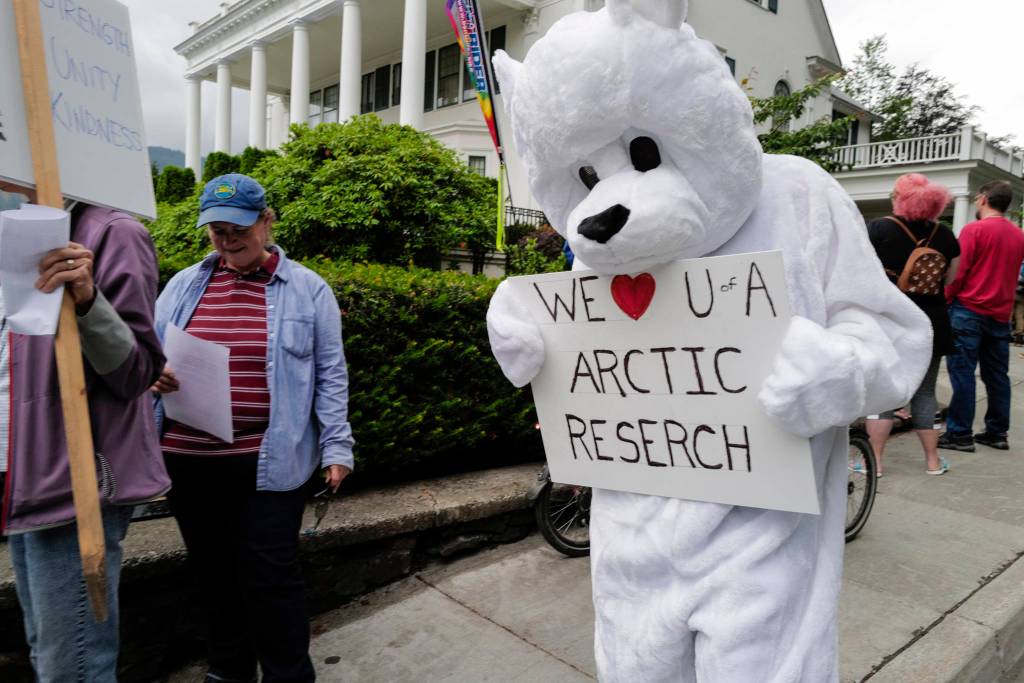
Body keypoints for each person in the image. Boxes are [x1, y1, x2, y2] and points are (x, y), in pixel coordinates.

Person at [151, 173, 354, 683]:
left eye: (238, 226)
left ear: (267, 220)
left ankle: (288, 675)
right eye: (216, 230)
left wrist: (337, 446)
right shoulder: (181, 286)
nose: (227, 238)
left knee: (272, 578)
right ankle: (229, 672)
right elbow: (147, 356)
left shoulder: (307, 289)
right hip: (189, 459)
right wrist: (153, 375)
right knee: (213, 576)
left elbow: (331, 374)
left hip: (269, 462)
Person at [0, 185, 169, 683]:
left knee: (70, 665)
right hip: (27, 479)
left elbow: (137, 374)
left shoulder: (113, 232)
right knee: (47, 652)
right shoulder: (20, 228)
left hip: (78, 481)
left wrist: (89, 300)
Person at [865, 174, 959, 476]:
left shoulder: (879, 229)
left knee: (883, 390)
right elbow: (951, 278)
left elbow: (861, 273)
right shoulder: (944, 234)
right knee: (926, 391)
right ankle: (932, 461)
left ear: (898, 197)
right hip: (932, 322)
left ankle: (874, 463)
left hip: (890, 322)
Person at [940, 180, 1024, 452]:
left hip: (969, 310)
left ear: (984, 199)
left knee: (962, 372)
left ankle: (959, 433)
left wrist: (947, 299)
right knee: (997, 375)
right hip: (1000, 313)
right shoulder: (1018, 235)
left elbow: (959, 272)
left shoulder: (974, 230)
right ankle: (997, 432)